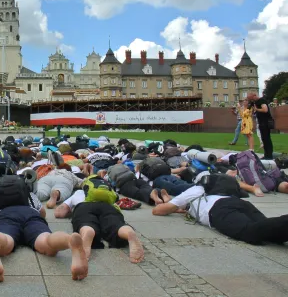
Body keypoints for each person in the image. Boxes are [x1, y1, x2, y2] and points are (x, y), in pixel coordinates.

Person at [0, 176, 88, 282]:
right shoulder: (30, 196)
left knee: (7, 241)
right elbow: (42, 213)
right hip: (31, 215)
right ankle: (69, 240)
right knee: (46, 241)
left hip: (6, 216)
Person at [152, 172, 288, 245]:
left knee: (249, 232)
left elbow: (158, 211)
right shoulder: (220, 187)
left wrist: (169, 204)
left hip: (219, 209)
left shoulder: (196, 189)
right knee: (270, 233)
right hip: (240, 203)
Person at [54, 189, 145, 266]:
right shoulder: (108, 190)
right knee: (116, 224)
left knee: (85, 222)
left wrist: (72, 212)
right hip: (108, 207)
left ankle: (87, 231)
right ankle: (128, 232)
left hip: (83, 206)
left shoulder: (79, 192)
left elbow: (59, 212)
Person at [248, 92, 274, 159]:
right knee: (264, 139)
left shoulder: (262, 100)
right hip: (261, 122)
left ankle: (269, 156)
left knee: (266, 139)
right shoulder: (255, 102)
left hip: (265, 122)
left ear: (254, 96)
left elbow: (265, 110)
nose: (251, 100)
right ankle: (267, 155)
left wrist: (257, 109)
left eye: (251, 98)